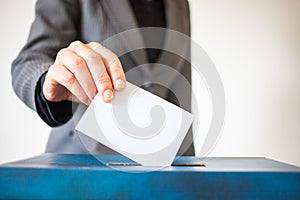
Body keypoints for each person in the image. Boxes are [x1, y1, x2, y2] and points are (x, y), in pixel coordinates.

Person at [12, 0, 194, 156]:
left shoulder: (179, 4)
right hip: (80, 162)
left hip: (153, 166)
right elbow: (28, 61)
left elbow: (180, 89)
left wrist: (187, 166)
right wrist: (49, 80)